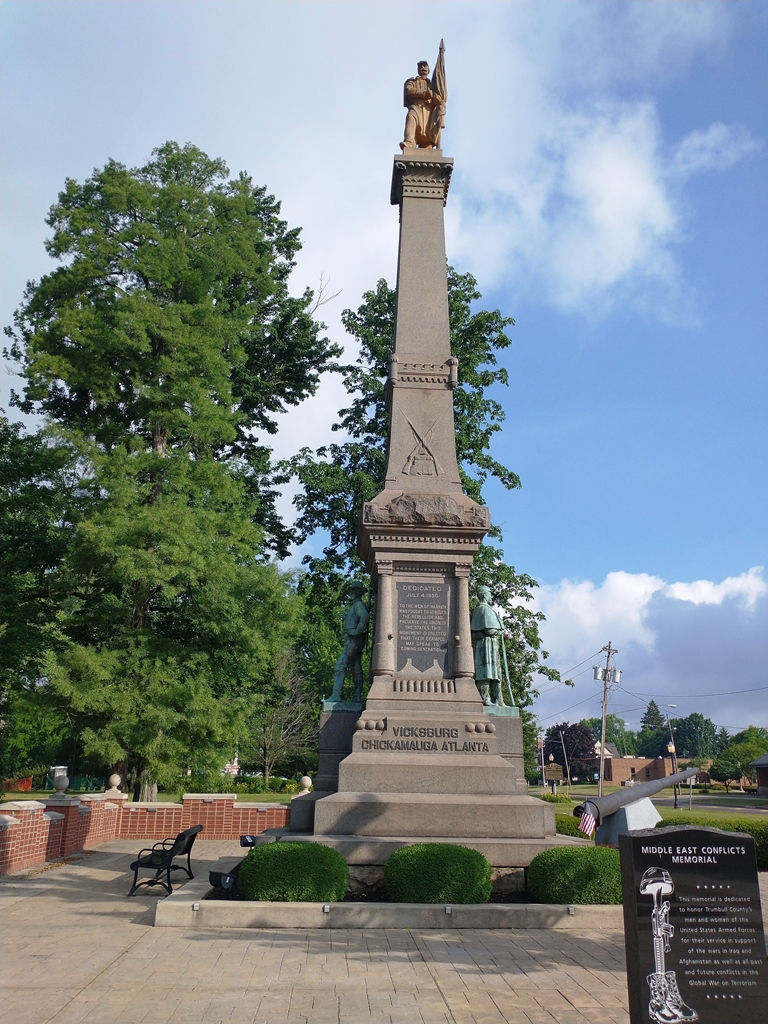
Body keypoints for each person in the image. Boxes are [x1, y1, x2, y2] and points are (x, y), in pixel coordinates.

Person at [400, 42, 446, 151]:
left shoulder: (432, 85)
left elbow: (439, 99)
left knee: (427, 135)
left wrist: (432, 95)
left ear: (429, 69)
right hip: (415, 107)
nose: (423, 67)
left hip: (428, 111)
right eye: (420, 66)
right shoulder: (412, 81)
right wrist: (424, 93)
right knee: (411, 119)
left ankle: (428, 147)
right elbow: (409, 90)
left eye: (425, 66)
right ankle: (409, 142)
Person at [329, 581, 369, 702]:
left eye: (353, 591)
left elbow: (365, 616)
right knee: (356, 669)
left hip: (353, 640)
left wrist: (357, 631)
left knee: (340, 666)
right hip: (355, 640)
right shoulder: (356, 605)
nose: (350, 593)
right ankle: (357, 696)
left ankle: (336, 695)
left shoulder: (358, 605)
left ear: (358, 593)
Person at [470, 586, 504, 706]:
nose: (491, 596)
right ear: (484, 594)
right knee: (485, 672)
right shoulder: (482, 609)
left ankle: (499, 700)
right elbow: (489, 630)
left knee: (496, 674)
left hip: (492, 645)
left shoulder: (488, 609)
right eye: (490, 593)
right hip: (485, 646)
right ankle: (485, 699)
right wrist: (500, 630)